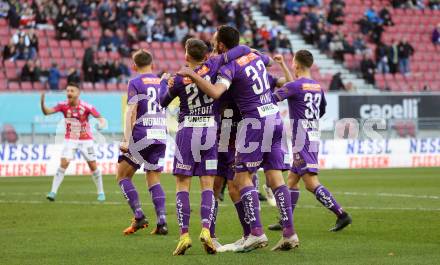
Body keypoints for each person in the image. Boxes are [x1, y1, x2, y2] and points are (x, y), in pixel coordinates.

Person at [178, 25, 297, 252]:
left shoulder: (225, 66)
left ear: (221, 45)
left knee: (233, 183)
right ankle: (287, 232)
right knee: (271, 180)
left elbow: (214, 92)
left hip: (235, 131)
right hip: (269, 120)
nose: (213, 45)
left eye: (215, 41)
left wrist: (190, 74)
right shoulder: (252, 56)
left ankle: (251, 233)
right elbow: (277, 73)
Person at [160, 38, 250, 256]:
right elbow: (243, 49)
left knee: (183, 184)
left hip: (187, 131)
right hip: (210, 131)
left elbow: (162, 101)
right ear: (206, 55)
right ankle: (206, 231)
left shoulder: (180, 79)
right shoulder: (213, 66)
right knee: (207, 185)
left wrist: (165, 81)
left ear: (186, 56)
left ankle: (184, 235)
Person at [270, 50, 352, 232]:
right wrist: (282, 64)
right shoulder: (316, 87)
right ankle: (285, 220)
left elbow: (272, 99)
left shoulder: (296, 87)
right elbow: (321, 110)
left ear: (297, 65)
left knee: (311, 183)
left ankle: (342, 214)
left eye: (292, 64)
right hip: (313, 134)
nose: (292, 66)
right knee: (291, 180)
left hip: (302, 138)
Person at [117, 50, 169, 236]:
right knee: (153, 179)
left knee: (122, 176)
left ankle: (139, 216)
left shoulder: (135, 82)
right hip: (160, 134)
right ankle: (162, 221)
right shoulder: (162, 82)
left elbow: (131, 111)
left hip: (141, 134)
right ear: (152, 64)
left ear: (134, 66)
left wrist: (127, 139)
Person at [40, 83, 106, 202]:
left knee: (93, 165)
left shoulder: (86, 106)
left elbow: (100, 117)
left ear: (78, 93)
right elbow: (47, 112)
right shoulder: (63, 105)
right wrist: (42, 103)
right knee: (63, 164)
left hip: (86, 140)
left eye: (72, 91)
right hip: (70, 139)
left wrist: (101, 124)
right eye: (68, 90)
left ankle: (101, 192)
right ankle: (53, 192)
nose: (69, 93)